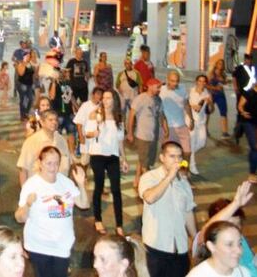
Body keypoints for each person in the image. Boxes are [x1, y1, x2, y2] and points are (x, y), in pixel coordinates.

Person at [15, 146, 89, 277]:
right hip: (40, 246)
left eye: (56, 163)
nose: (53, 167)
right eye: (49, 163)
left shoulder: (65, 182)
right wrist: (28, 205)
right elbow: (19, 218)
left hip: (63, 245)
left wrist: (81, 184)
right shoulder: (31, 185)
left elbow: (84, 204)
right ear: (40, 163)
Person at [139, 141, 196, 277]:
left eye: (179, 156)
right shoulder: (149, 177)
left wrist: (195, 238)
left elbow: (188, 212)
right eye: (172, 156)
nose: (177, 160)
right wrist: (169, 176)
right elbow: (150, 198)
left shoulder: (184, 183)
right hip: (156, 248)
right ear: (162, 158)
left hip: (180, 249)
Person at [84, 89, 129, 236]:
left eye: (108, 98)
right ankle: (98, 219)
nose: (105, 100)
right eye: (104, 98)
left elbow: (120, 141)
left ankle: (119, 224)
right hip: (98, 154)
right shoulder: (95, 114)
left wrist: (124, 159)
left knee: (116, 190)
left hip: (113, 156)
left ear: (114, 100)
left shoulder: (118, 117)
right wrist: (94, 133)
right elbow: (87, 134)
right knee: (99, 186)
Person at [191, 181, 257, 276]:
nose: (238, 250)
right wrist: (236, 204)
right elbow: (208, 229)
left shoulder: (239, 240)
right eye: (229, 225)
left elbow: (250, 265)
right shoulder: (200, 272)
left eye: (238, 224)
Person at [127, 78, 167, 189]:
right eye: (157, 87)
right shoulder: (140, 98)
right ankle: (148, 185)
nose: (159, 89)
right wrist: (130, 132)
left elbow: (161, 116)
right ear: (150, 86)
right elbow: (131, 116)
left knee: (144, 159)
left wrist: (166, 129)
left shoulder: (158, 100)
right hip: (142, 135)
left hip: (154, 136)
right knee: (145, 163)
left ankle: (137, 179)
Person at [17, 110, 71, 185]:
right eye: (50, 120)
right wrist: (24, 190)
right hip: (39, 188)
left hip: (60, 187)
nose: (54, 122)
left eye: (56, 120)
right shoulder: (31, 141)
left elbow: (68, 164)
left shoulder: (61, 140)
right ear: (42, 122)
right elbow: (23, 169)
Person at [160, 71, 193, 162]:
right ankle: (169, 170)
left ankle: (184, 169)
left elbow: (186, 104)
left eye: (177, 81)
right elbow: (159, 110)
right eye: (172, 81)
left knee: (187, 152)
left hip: (182, 125)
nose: (175, 83)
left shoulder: (182, 88)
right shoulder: (161, 90)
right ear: (167, 79)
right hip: (168, 127)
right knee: (168, 153)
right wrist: (163, 127)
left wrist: (191, 119)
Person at [189, 75, 213, 175]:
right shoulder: (191, 91)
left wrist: (210, 103)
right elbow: (188, 105)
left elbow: (211, 110)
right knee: (192, 143)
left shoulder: (207, 93)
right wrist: (193, 105)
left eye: (204, 81)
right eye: (200, 81)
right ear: (196, 81)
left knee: (202, 142)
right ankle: (192, 165)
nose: (202, 83)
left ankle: (186, 154)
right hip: (191, 120)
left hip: (202, 121)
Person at [236, 79, 257, 182]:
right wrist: (243, 112)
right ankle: (252, 173)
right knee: (255, 147)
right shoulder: (249, 93)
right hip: (248, 121)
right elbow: (240, 105)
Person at [207, 59, 230, 138]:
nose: (220, 65)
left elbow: (225, 83)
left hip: (220, 95)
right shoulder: (211, 73)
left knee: (224, 112)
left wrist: (225, 82)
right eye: (219, 63)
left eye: (222, 64)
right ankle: (205, 129)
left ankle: (224, 132)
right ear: (216, 64)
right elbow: (206, 85)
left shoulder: (223, 74)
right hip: (211, 94)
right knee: (208, 112)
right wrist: (215, 88)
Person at [16, 52, 36, 121]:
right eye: (27, 56)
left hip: (29, 84)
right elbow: (21, 73)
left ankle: (26, 113)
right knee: (23, 100)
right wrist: (24, 64)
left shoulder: (30, 64)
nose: (28, 57)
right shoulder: (21, 64)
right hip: (22, 84)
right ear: (23, 57)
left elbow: (33, 74)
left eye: (29, 56)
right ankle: (22, 115)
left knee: (31, 99)